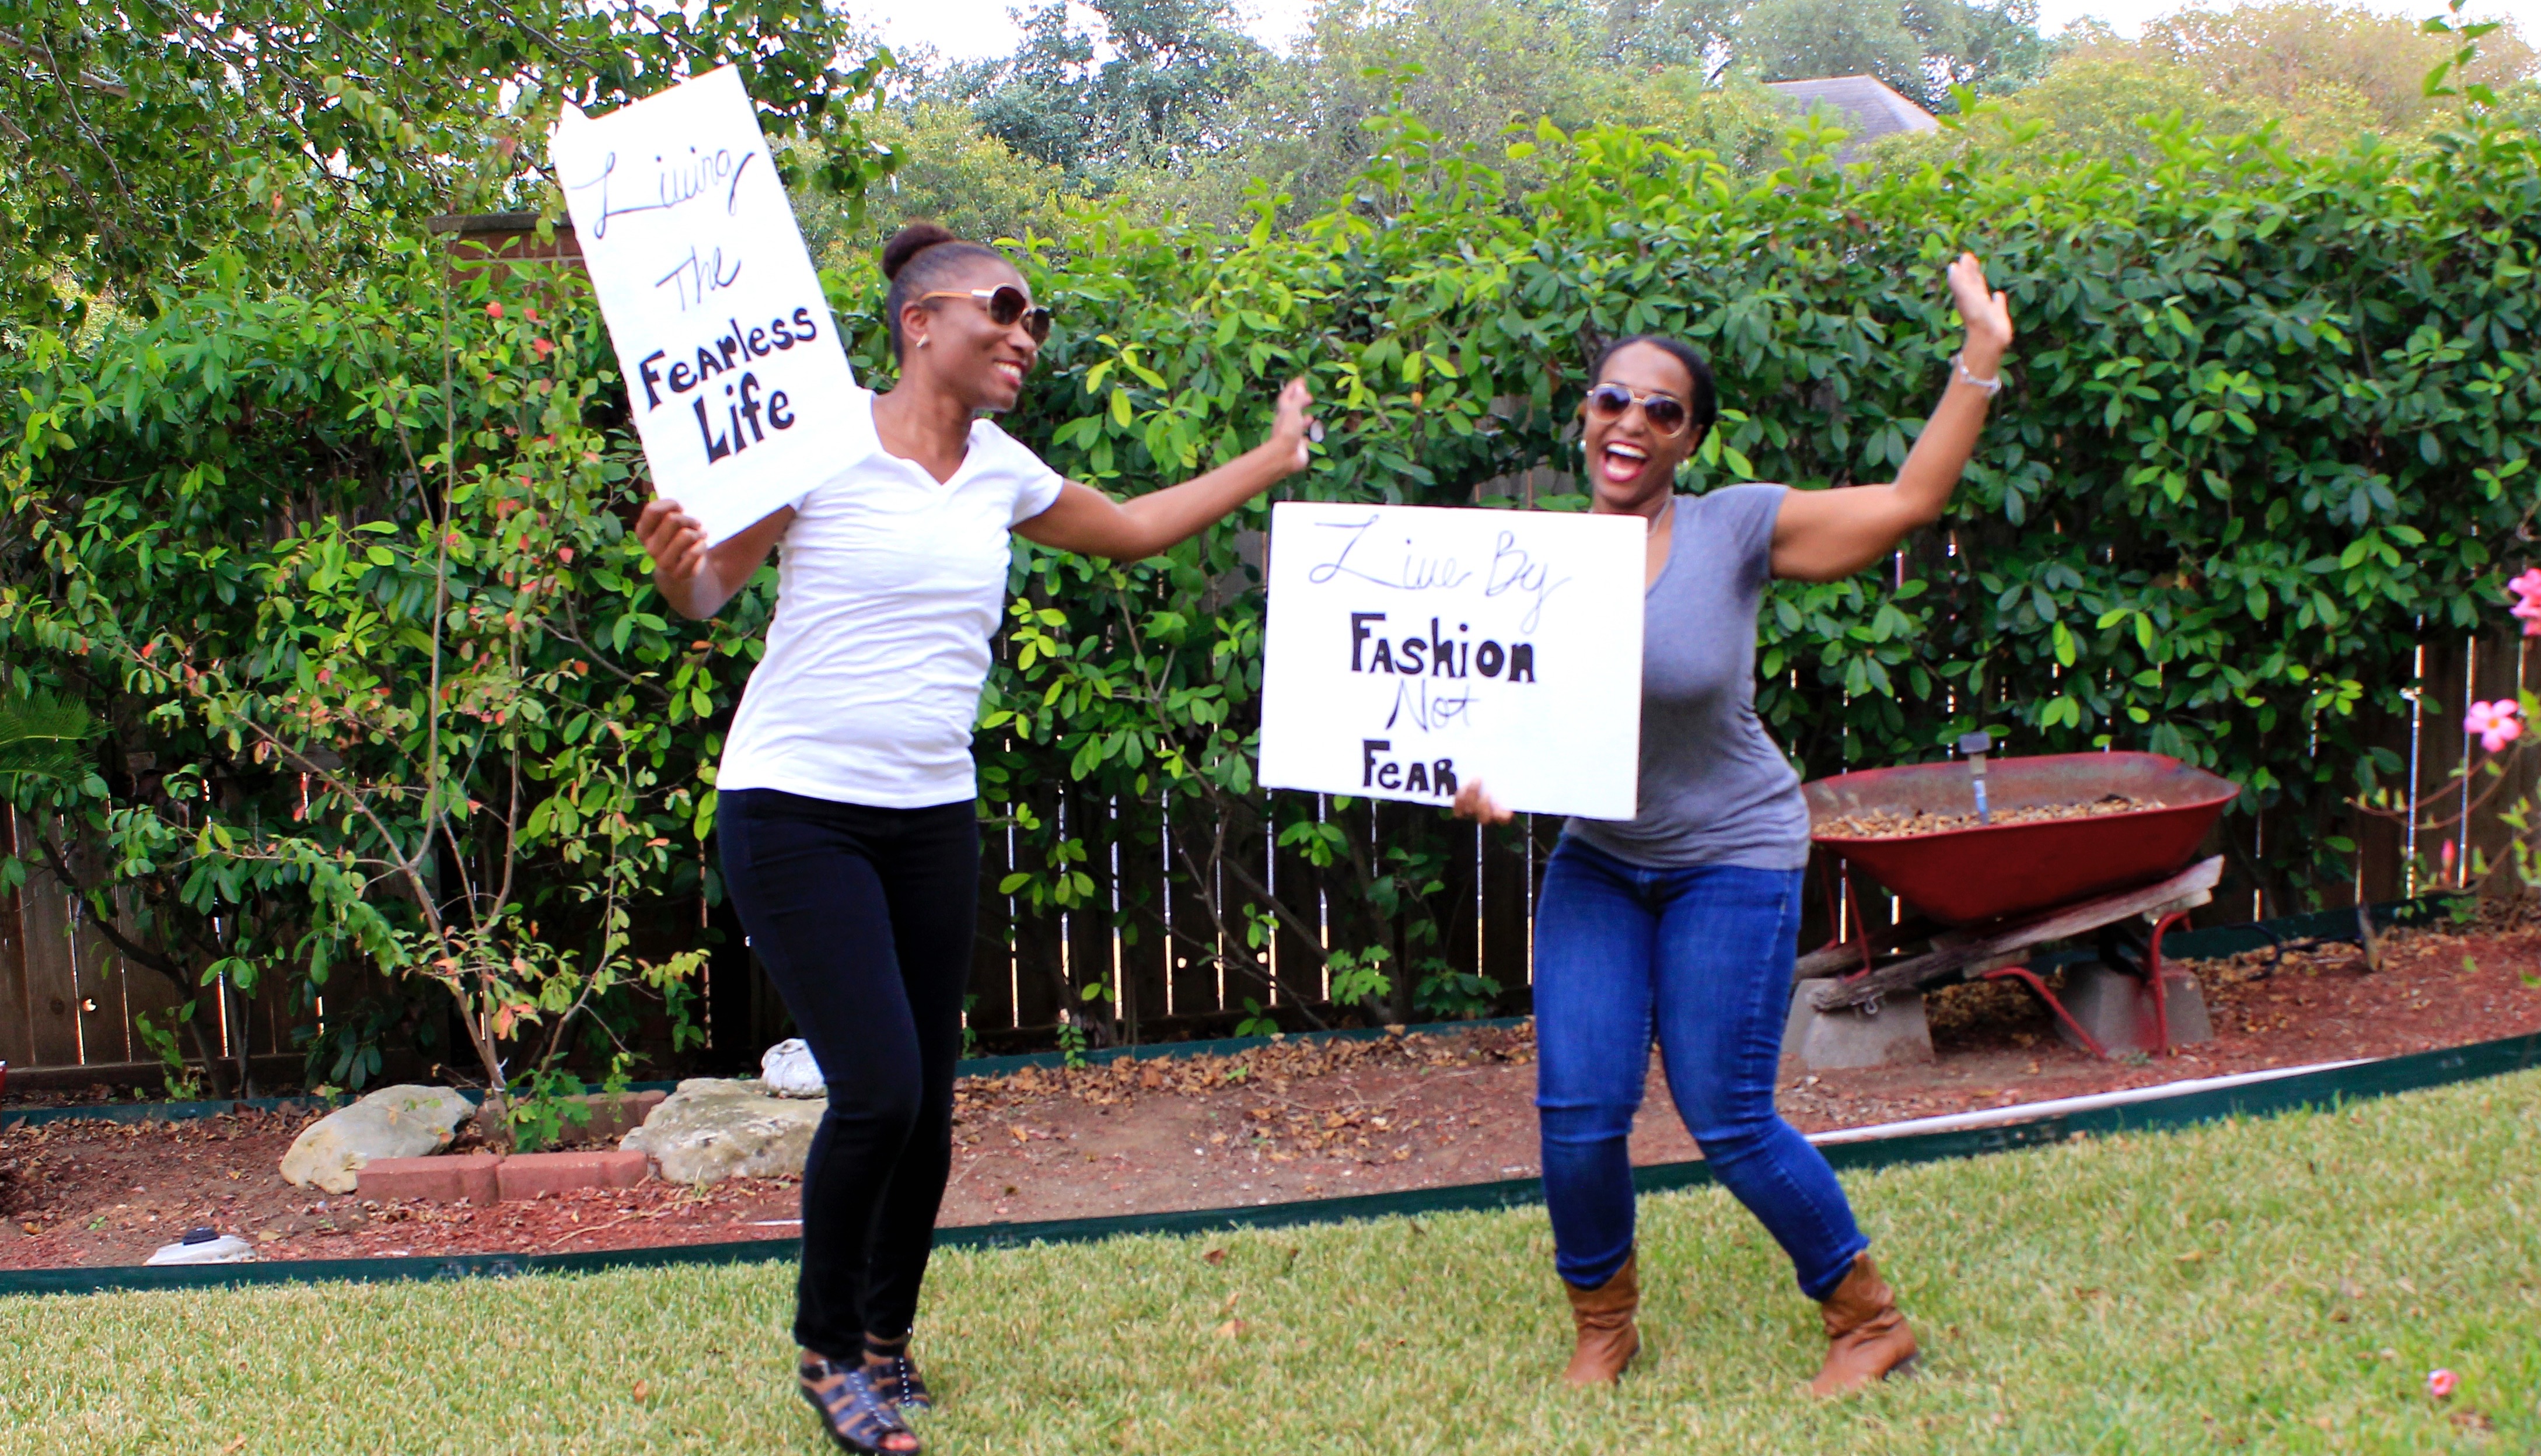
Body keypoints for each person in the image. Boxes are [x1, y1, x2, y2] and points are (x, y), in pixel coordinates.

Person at [636, 222, 1315, 1455]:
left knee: (932, 1105)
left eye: (1036, 321)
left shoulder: (1003, 469)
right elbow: (709, 589)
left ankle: (888, 1346)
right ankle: (828, 1352)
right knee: (879, 1089)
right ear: (919, 323)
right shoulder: (816, 437)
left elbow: (1138, 528)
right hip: (794, 810)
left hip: (929, 818)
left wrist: (1270, 458)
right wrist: (679, 567)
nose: (1024, 336)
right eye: (1003, 310)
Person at [1450, 252, 2015, 1396]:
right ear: (1583, 417)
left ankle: (1868, 1319)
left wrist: (1980, 361)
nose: (1632, 422)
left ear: (1689, 442)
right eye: (1613, 399)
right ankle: (1603, 1327)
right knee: (1578, 1108)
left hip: (1733, 856)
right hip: (1604, 862)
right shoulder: (1533, 564)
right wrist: (1480, 773)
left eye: (1663, 411)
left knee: (1726, 1113)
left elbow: (1909, 504)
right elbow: (1485, 712)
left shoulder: (1737, 530)